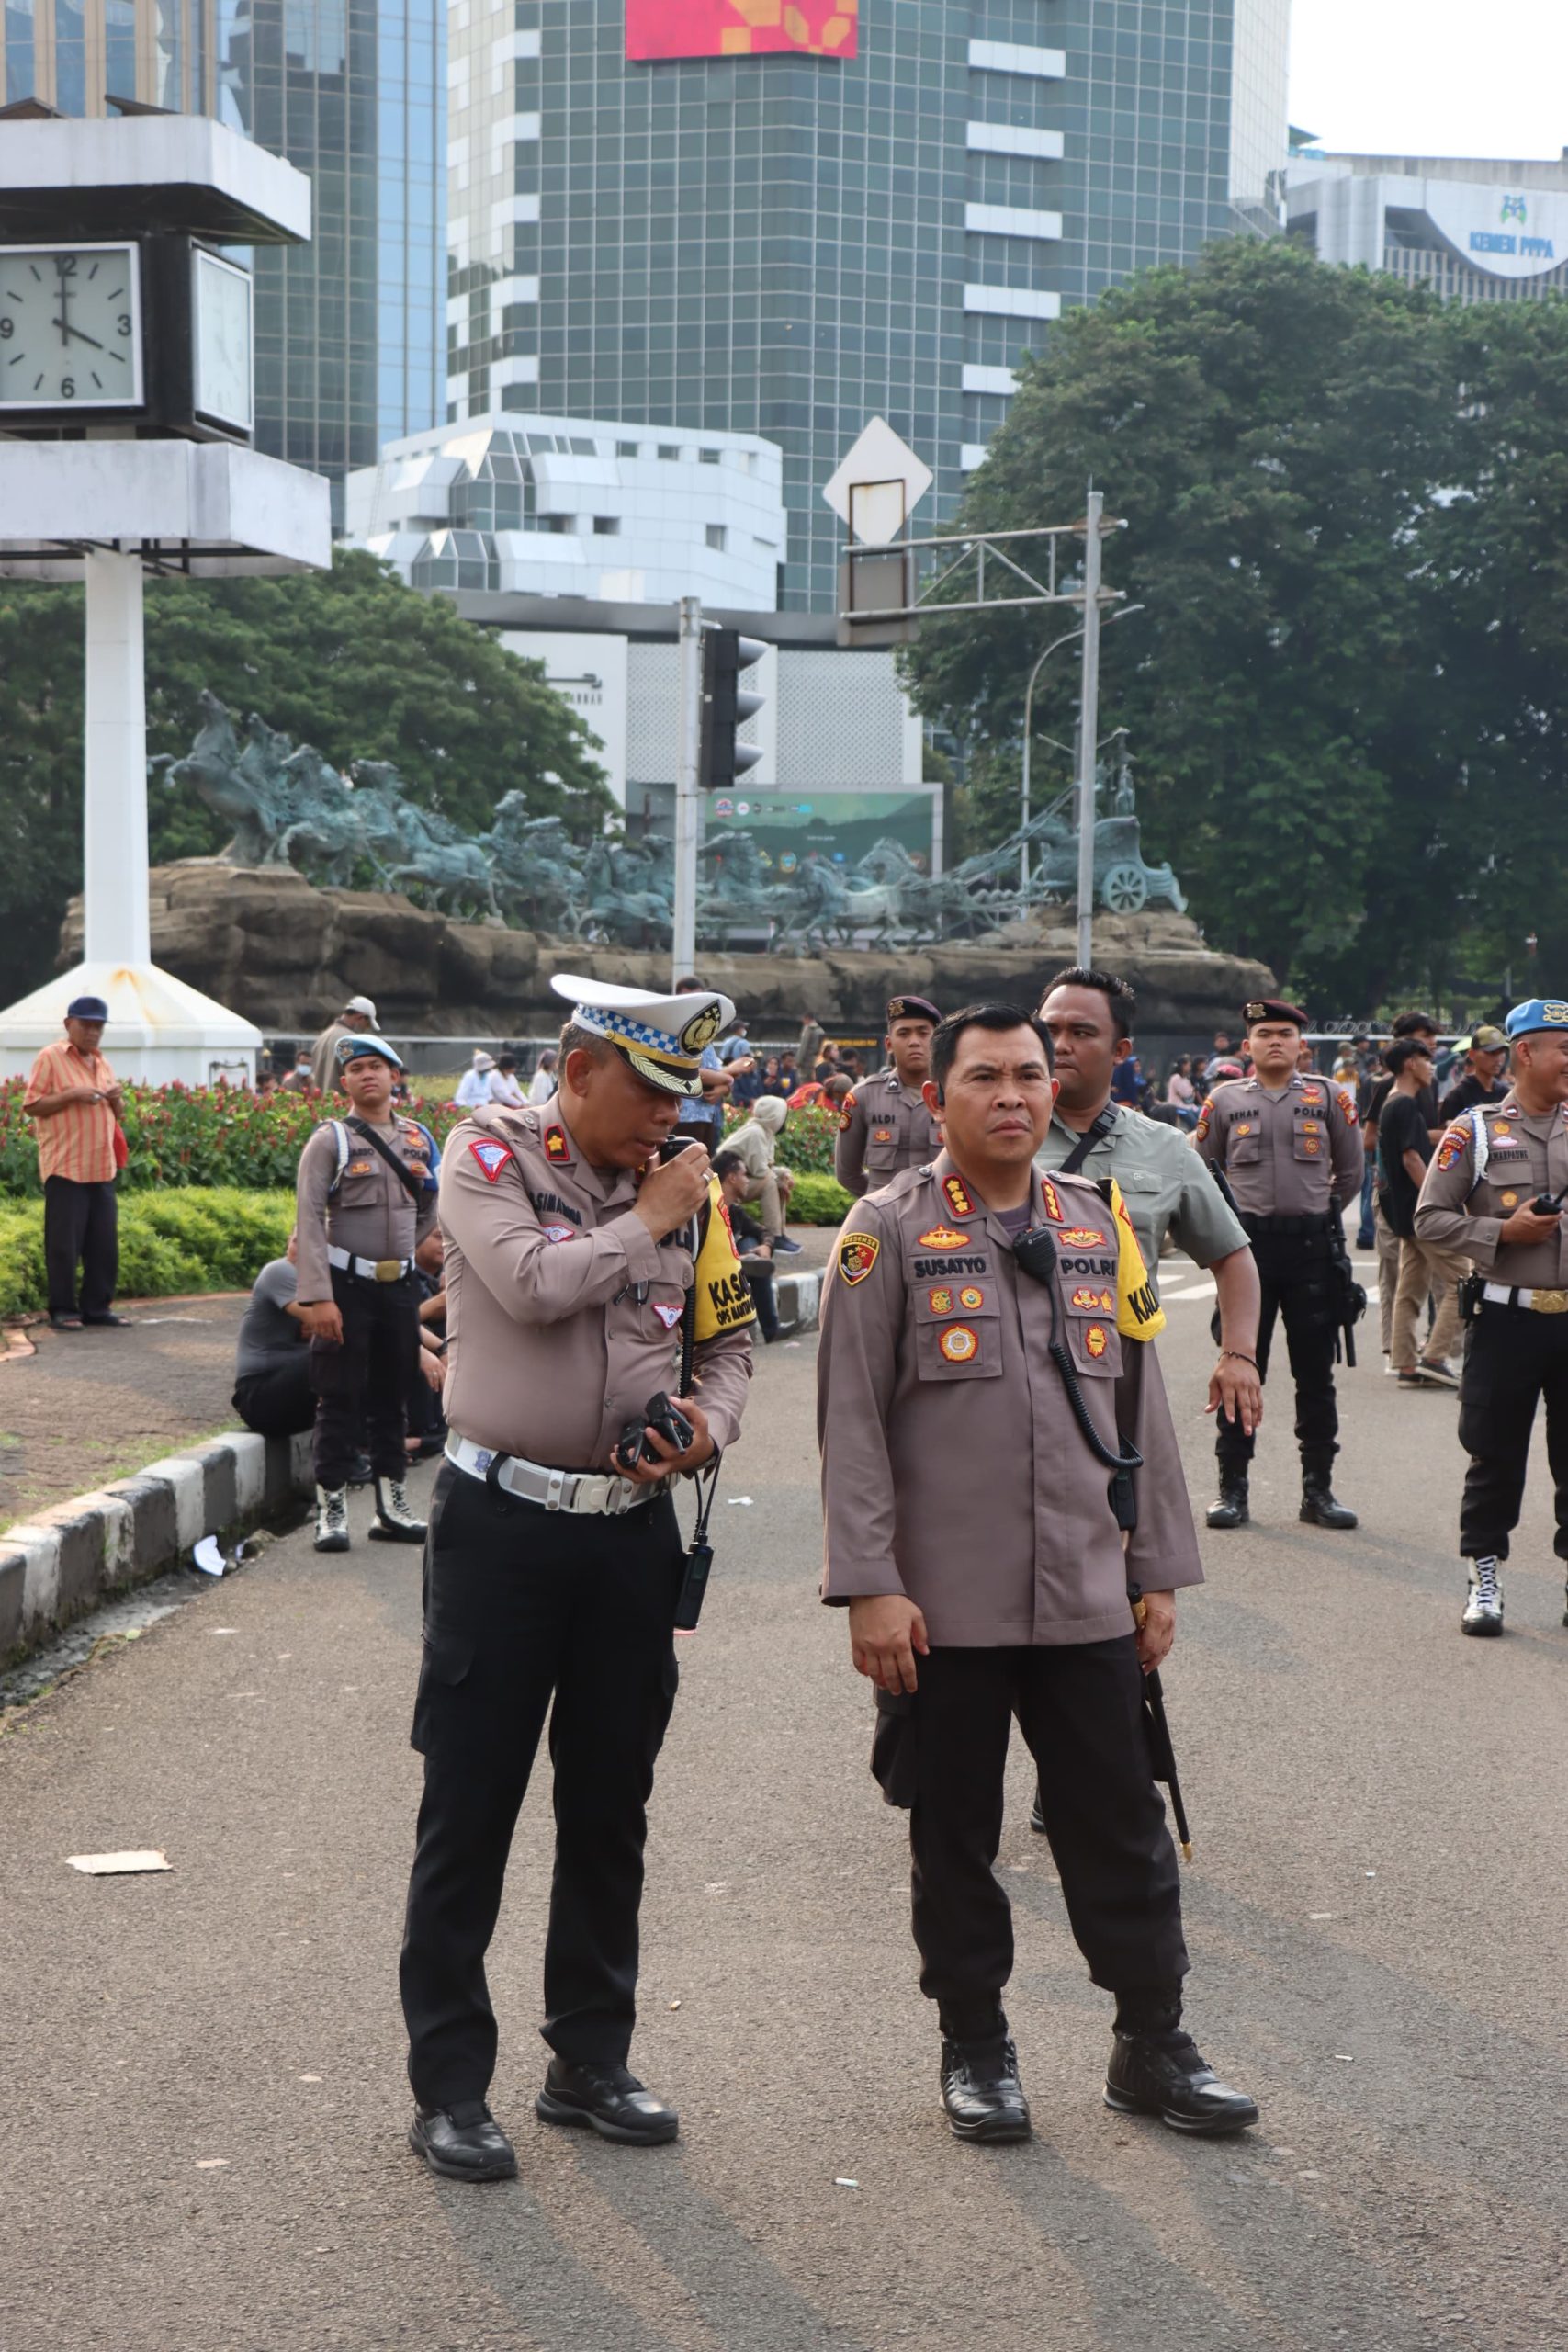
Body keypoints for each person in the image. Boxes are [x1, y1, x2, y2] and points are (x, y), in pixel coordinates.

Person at [817, 1003, 1257, 2145]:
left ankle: (1151, 2042)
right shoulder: (885, 1230)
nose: (1014, 1095)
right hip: (942, 1608)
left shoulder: (1094, 1224)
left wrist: (1156, 1566)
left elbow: (1138, 1412)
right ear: (935, 1098)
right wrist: (869, 1581)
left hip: (1084, 1593)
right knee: (955, 1830)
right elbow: (851, 1423)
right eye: (987, 1079)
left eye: (1029, 1074)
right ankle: (976, 2044)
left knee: (1122, 1821)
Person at [400, 976, 755, 2184]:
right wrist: (649, 1213)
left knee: (609, 1806)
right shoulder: (489, 1153)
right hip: (501, 1528)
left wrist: (706, 1427)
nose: (668, 1118)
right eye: (651, 1090)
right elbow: (532, 1288)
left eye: (682, 1098)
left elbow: (729, 1342)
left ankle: (587, 2061)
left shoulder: (688, 1195)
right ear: (580, 1065)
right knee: (472, 1808)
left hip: (629, 1535)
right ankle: (449, 2087)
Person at [1037, 966, 1262, 1486]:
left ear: (1121, 1052)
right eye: (1049, 1030)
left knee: (1122, 1533)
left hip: (1117, 1375)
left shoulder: (1165, 1148)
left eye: (1082, 1032)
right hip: (1006, 1371)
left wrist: (1238, 1355)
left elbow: (1233, 1256)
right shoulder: (997, 1131)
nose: (1061, 1045)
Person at [1416, 997, 1568, 1636]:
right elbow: (1429, 1220)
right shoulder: (1473, 1131)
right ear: (1524, 1053)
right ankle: (1483, 1578)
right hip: (1506, 1321)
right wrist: (1501, 1232)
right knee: (1493, 1457)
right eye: (1561, 1048)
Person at [1194, 999, 1364, 1532]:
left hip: (1313, 1248)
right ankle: (1233, 1490)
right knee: (1240, 1369)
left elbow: (1352, 1171)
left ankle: (1318, 1491)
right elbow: (1199, 1173)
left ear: (1300, 1045)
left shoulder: (1330, 1097)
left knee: (1316, 1375)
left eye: (1285, 1034)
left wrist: (1319, 1214)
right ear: (1247, 1045)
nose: (1275, 1041)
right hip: (1247, 1251)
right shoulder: (1222, 1101)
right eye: (1264, 1033)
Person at [294, 1035, 436, 1553]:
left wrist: (402, 1251)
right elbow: (308, 1218)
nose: (367, 1076)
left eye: (377, 1067)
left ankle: (391, 1506)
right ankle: (331, 1509)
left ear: (395, 1076)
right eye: (356, 1069)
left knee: (393, 1395)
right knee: (338, 1395)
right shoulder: (330, 1140)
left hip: (398, 1286)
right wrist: (318, 1296)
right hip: (344, 1288)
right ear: (345, 1082)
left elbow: (431, 1205)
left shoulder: (419, 1140)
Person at [23, 993, 129, 1332]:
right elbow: (33, 1104)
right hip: (66, 1167)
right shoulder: (51, 1057)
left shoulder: (102, 1062)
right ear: (69, 1024)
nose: (93, 1032)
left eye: (98, 1026)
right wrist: (73, 1094)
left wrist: (117, 1100)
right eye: (86, 1025)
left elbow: (118, 1114)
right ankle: (63, 1310)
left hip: (100, 1167)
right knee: (64, 1246)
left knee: (103, 1245)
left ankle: (97, 1308)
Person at [1379, 1038, 1465, 1391]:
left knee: (1411, 1286)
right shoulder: (1404, 1106)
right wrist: (1438, 1200)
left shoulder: (1392, 1103)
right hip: (1422, 1210)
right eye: (1428, 1061)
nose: (1432, 1068)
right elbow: (1411, 1158)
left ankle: (1405, 1363)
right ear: (1411, 1063)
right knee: (1464, 1281)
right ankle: (1434, 1356)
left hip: (1403, 1211)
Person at [1364, 1012, 1441, 1362]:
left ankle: (1420, 1345)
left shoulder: (1429, 1083)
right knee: (1394, 1271)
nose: (1431, 1048)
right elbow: (1373, 1139)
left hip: (1420, 1185)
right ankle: (1393, 1344)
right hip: (1393, 1189)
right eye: (1425, 1040)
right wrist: (1434, 1136)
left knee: (1423, 1274)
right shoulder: (1388, 1087)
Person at [834, 995, 944, 1198]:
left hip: (943, 1223)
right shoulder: (864, 1096)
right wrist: (883, 1201)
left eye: (923, 1033)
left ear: (937, 1040)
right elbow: (847, 1173)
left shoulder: (956, 1096)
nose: (914, 1042)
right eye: (903, 1033)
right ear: (889, 1044)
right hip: (884, 1223)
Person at [231, 1230, 314, 1438]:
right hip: (260, 1396)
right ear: (288, 1243)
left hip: (288, 1397)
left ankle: (362, 1441)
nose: (300, 1249)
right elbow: (326, 1323)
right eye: (296, 1241)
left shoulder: (318, 1283)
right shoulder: (280, 1271)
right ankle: (361, 1443)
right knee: (335, 1352)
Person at [714, 1147, 780, 1340]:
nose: (747, 1181)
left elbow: (763, 1231)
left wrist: (766, 1246)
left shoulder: (735, 1211)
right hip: (709, 1274)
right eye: (744, 1175)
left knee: (752, 1243)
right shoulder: (704, 1210)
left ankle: (771, 1329)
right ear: (732, 1178)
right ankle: (771, 1329)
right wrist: (737, 1259)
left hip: (732, 1266)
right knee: (749, 1253)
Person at [722, 1092, 800, 1251]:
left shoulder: (765, 1132)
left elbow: (765, 1167)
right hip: (725, 1187)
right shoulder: (755, 1133)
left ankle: (780, 1234)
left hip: (740, 1180)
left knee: (779, 1180)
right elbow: (760, 1171)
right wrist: (779, 1178)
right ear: (774, 1116)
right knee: (770, 1183)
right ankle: (774, 1236)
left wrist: (784, 1174)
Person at [673, 975, 734, 1155]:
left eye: (699, 1000)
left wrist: (723, 1087)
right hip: (684, 1117)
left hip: (706, 1116)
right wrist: (728, 1078)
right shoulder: (675, 1029)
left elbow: (711, 1073)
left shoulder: (703, 1031)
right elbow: (689, 1070)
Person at [1438, 1026, 1510, 1124]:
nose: (1498, 1059)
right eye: (1491, 1053)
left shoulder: (1505, 1093)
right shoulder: (1459, 1095)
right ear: (1472, 1054)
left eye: (1501, 1052)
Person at [310, 995, 377, 1093]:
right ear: (360, 1017)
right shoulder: (348, 1040)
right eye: (367, 1024)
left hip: (321, 1104)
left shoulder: (323, 1036)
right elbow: (354, 1072)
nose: (365, 1029)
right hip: (341, 1103)